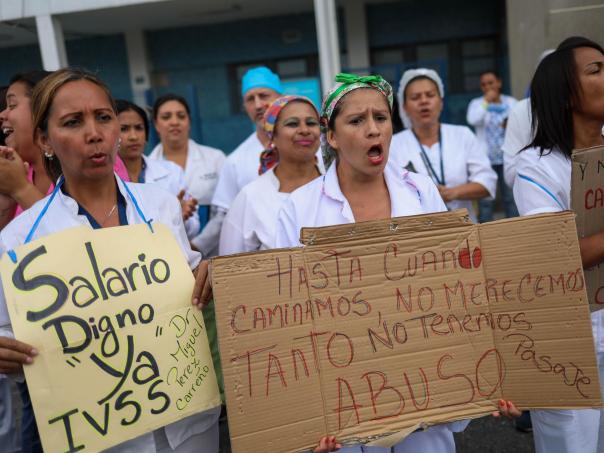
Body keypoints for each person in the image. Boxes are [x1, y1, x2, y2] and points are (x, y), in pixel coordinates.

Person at [0, 68, 219, 453]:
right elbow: (10, 335)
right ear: (45, 140)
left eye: (103, 117)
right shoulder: (20, 240)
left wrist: (211, 278)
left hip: (190, 423)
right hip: (102, 434)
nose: (94, 133)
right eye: (73, 122)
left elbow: (192, 291)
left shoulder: (160, 206)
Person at [274, 72, 460, 453]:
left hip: (425, 386)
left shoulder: (420, 192)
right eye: (357, 121)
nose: (373, 130)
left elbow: (454, 284)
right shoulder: (299, 208)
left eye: (381, 117)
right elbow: (286, 310)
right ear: (331, 136)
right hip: (342, 399)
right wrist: (306, 417)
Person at [513, 36, 604, 453]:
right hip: (568, 342)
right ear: (565, 94)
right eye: (596, 70)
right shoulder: (537, 166)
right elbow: (555, 255)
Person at [389, 68, 497, 223]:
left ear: (441, 102)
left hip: (464, 227)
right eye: (415, 97)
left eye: (430, 95)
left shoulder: (462, 135)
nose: (424, 101)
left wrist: (453, 193)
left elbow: (487, 182)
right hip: (417, 230)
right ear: (404, 107)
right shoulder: (393, 145)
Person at [219, 95, 322, 255]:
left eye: (311, 123)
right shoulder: (251, 197)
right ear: (272, 135)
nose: (304, 130)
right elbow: (229, 263)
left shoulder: (338, 187)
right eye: (292, 124)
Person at [149, 93, 225, 257]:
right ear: (156, 124)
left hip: (213, 252)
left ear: (189, 121)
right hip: (168, 255)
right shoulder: (147, 169)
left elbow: (225, 210)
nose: (174, 122)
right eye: (166, 117)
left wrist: (198, 245)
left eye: (181, 116)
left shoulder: (215, 158)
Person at [116, 99, 198, 226]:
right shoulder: (103, 179)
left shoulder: (173, 172)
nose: (133, 136)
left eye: (139, 128)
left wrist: (179, 217)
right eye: (124, 129)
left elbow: (194, 226)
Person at [466, 71, 518, 222]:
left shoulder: (511, 102)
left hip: (507, 156)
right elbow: (473, 119)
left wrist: (510, 124)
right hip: (486, 158)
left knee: (510, 197)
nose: (488, 87)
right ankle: (485, 231)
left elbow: (520, 122)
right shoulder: (477, 103)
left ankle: (515, 228)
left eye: (491, 83)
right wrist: (486, 102)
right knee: (486, 199)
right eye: (484, 84)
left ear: (499, 83)